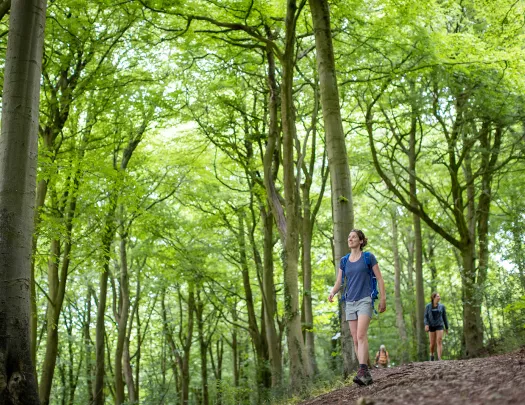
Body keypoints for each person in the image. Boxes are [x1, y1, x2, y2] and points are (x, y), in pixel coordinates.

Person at [328, 229, 386, 386]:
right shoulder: (344, 261)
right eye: (348, 236)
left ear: (361, 241)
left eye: (353, 237)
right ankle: (365, 372)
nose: (350, 239)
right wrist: (332, 292)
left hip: (365, 299)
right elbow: (339, 281)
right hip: (350, 302)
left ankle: (362, 370)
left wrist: (382, 298)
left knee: (361, 335)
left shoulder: (368, 257)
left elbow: (380, 279)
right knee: (355, 338)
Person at [424, 292, 449, 361]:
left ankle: (439, 358)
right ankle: (431, 355)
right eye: (437, 296)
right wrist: (426, 324)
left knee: (439, 341)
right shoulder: (428, 306)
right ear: (433, 298)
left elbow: (444, 317)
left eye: (439, 296)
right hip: (431, 325)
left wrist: (447, 327)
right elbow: (425, 317)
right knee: (432, 344)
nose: (439, 297)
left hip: (439, 325)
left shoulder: (442, 306)